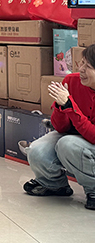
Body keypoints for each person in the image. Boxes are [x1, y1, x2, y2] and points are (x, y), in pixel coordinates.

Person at [24, 44, 95, 211]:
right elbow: (60, 127)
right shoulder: (71, 81)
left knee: (67, 144)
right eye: (82, 63)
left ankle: (93, 190)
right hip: (74, 134)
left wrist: (70, 106)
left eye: (88, 66)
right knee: (36, 150)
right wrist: (61, 106)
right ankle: (55, 185)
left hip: (88, 141)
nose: (81, 69)